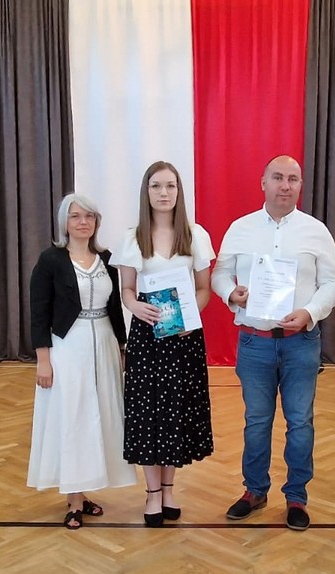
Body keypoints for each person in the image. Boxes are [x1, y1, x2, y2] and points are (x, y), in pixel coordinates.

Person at [212, 155, 335, 531]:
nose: (285, 185)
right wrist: (230, 293)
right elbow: (220, 273)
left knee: (300, 422)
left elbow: (334, 283)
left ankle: (297, 496)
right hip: (254, 343)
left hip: (300, 342)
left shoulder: (315, 231)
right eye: (278, 178)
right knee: (256, 421)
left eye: (293, 179)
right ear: (263, 183)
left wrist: (310, 311)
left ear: (300, 185)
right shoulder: (240, 228)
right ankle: (254, 491)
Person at [111, 161, 216, 527]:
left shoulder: (195, 234)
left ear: (178, 191)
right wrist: (135, 306)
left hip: (184, 339)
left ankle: (169, 491)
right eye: (156, 186)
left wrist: (189, 318)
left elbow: (203, 289)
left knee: (176, 414)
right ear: (147, 191)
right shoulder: (132, 238)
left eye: (170, 185)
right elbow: (126, 290)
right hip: (147, 338)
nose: (164, 192)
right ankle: (152, 494)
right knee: (148, 415)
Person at [27, 194, 137, 530]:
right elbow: (39, 313)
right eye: (76, 216)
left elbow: (115, 308)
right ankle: (73, 500)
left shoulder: (106, 259)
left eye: (89, 216)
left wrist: (122, 347)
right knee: (73, 418)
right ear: (65, 222)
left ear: (96, 222)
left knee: (98, 418)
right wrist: (43, 360)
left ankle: (85, 489)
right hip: (67, 347)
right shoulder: (51, 260)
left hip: (103, 345)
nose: (83, 222)